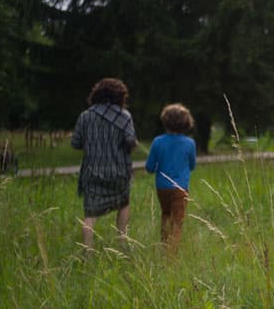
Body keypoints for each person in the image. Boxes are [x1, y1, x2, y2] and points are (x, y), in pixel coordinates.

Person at [71, 78, 137, 250]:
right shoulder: (124, 116)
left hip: (92, 172)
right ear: (120, 96)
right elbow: (131, 142)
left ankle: (88, 251)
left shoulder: (86, 116)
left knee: (90, 214)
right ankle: (122, 242)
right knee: (123, 204)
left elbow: (75, 143)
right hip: (119, 172)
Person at [144, 103, 197, 250]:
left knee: (165, 215)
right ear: (186, 122)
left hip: (162, 187)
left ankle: (164, 244)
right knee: (177, 221)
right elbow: (192, 165)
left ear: (165, 121)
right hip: (181, 188)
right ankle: (171, 255)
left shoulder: (157, 141)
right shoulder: (190, 143)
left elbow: (149, 168)